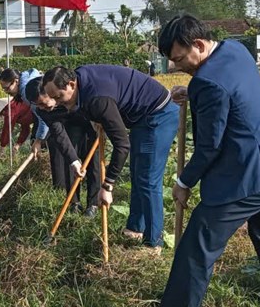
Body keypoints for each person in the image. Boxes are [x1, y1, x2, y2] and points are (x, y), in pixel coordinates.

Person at [133, 15, 260, 307]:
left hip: (244, 180)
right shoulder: (234, 51)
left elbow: (209, 147)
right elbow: (230, 90)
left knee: (196, 248)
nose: (176, 65)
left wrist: (183, 181)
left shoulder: (206, 83)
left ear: (198, 45)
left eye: (180, 59)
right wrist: (193, 92)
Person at [42, 63, 179, 250]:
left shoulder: (98, 100)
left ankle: (153, 243)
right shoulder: (81, 82)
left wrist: (107, 186)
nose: (58, 103)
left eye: (59, 97)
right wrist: (98, 120)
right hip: (139, 117)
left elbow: (122, 145)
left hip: (158, 114)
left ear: (72, 84)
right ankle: (135, 228)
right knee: (137, 174)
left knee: (148, 179)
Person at [25, 76, 102, 216]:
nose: (43, 108)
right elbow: (59, 134)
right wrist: (73, 160)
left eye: (44, 103)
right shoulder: (43, 110)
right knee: (70, 161)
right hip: (68, 125)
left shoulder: (70, 93)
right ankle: (74, 203)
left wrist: (99, 120)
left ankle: (93, 204)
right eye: (39, 105)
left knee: (94, 163)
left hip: (89, 120)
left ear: (52, 93)